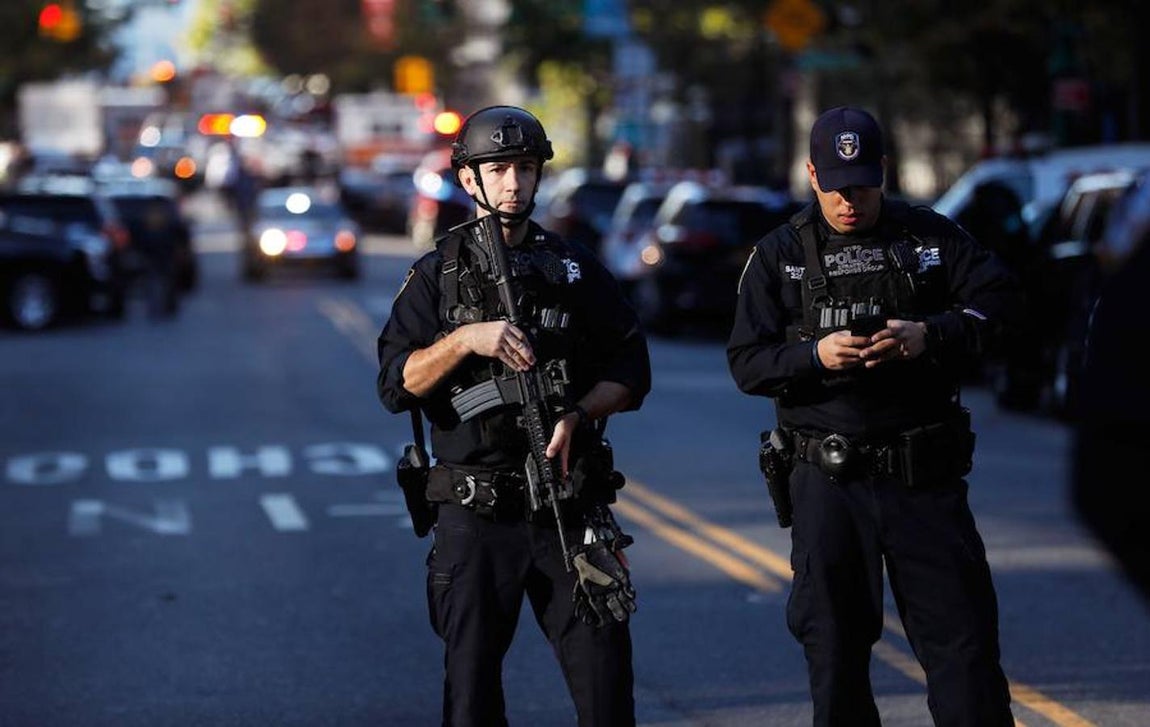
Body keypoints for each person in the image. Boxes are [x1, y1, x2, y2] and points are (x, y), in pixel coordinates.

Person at [726, 105, 1022, 726]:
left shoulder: (931, 238)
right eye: (834, 186)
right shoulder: (780, 253)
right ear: (811, 176)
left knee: (962, 648)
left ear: (883, 172)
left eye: (861, 184)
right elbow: (747, 362)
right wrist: (815, 355)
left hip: (924, 477)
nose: (848, 200)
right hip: (827, 483)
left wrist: (931, 334)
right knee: (834, 654)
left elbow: (1006, 306)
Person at [376, 105, 651, 727]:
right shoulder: (435, 277)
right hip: (475, 515)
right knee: (471, 698)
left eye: (525, 168)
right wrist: (465, 340)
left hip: (566, 506)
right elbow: (396, 387)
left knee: (608, 691)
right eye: (498, 168)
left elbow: (633, 372)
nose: (513, 183)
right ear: (469, 178)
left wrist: (579, 413)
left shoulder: (575, 270)